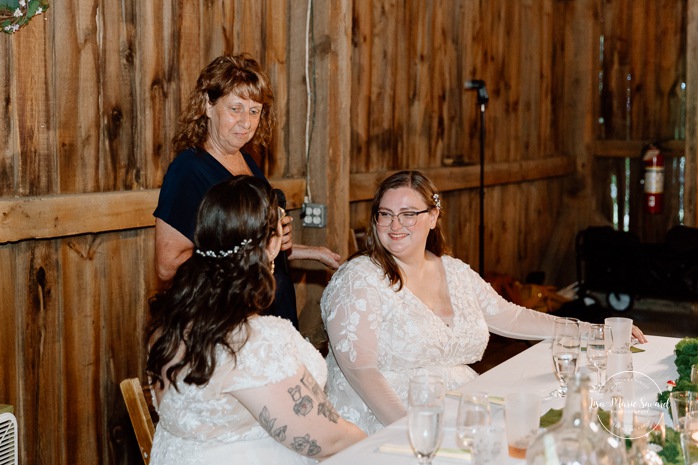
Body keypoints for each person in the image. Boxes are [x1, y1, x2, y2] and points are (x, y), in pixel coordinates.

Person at [320, 170, 647, 434]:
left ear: (433, 217)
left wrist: (590, 333)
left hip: (460, 412)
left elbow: (511, 317)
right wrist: (414, 431)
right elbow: (362, 373)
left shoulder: (453, 270)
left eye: (408, 214)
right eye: (385, 214)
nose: (394, 225)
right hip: (383, 422)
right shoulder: (359, 278)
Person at [147, 176, 366, 464]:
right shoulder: (252, 341)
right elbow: (325, 439)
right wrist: (382, 445)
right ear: (273, 243)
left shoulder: (168, 328)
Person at [154, 53, 340, 329]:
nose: (246, 122)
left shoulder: (246, 160)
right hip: (228, 316)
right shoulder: (187, 171)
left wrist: (307, 250)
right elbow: (168, 266)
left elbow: (250, 244)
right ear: (207, 105)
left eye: (254, 111)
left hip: (271, 301)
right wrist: (253, 245)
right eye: (235, 109)